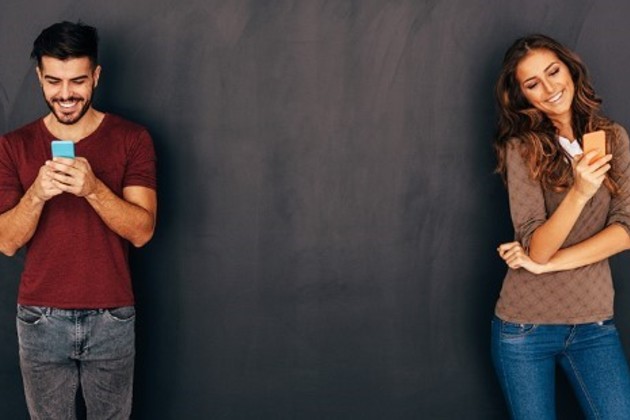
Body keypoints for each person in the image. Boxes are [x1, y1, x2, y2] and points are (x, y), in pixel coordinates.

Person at [0, 21, 157, 418]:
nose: (66, 94)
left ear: (96, 76)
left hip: (112, 316)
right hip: (39, 318)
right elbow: (6, 241)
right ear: (40, 77)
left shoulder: (132, 139)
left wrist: (93, 189)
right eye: (54, 81)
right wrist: (37, 193)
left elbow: (142, 232)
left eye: (78, 81)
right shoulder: (13, 146)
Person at [492, 34, 630, 419]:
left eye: (553, 72)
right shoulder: (521, 148)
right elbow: (537, 248)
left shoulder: (613, 138)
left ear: (570, 69)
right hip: (525, 328)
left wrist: (547, 265)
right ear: (521, 95)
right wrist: (580, 192)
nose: (550, 88)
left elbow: (625, 231)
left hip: (593, 324)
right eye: (532, 83)